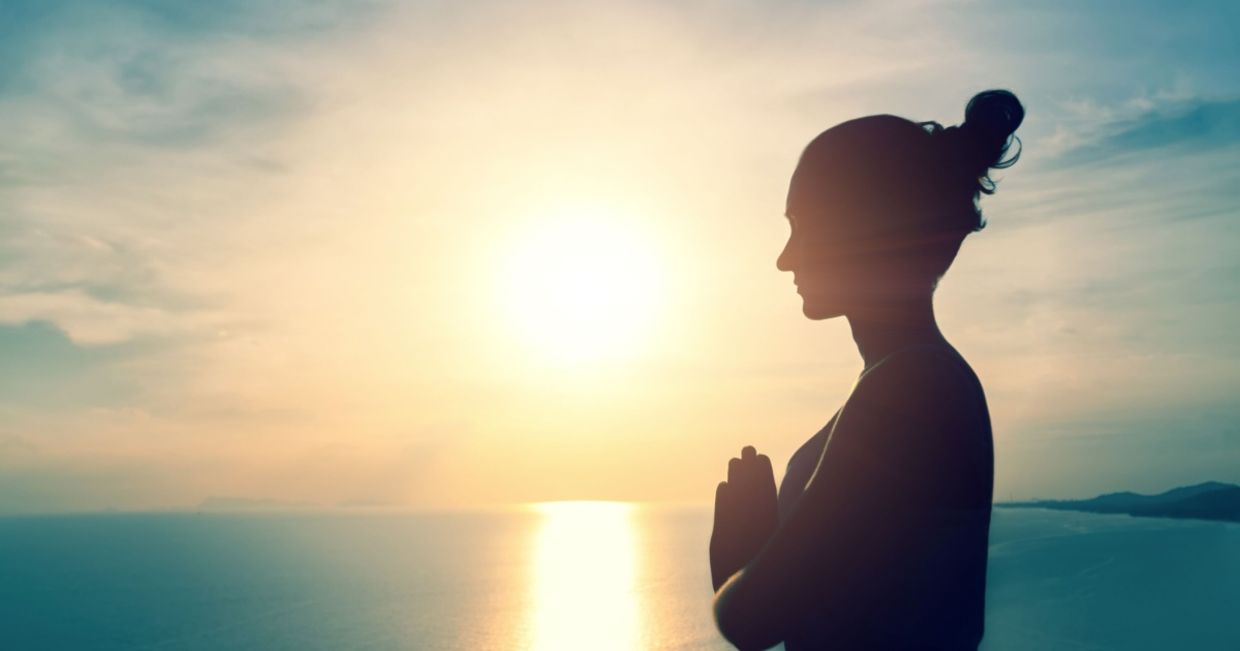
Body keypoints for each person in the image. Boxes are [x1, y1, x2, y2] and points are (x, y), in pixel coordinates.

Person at [709, 90, 1024, 650]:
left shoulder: (912, 387)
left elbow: (754, 620)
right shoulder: (908, 379)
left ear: (866, 228)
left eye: (802, 224)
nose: (785, 257)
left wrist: (738, 556)